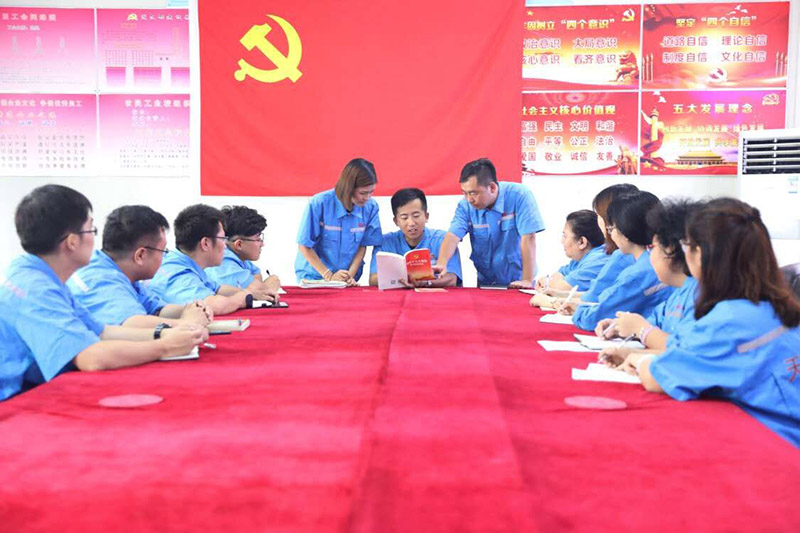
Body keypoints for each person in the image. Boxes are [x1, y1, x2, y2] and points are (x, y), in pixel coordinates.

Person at [613, 199, 800, 447]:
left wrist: (639, 360)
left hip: (776, 444)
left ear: (699, 254)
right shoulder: (771, 303)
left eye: (687, 245)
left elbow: (658, 376)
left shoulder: (729, 319)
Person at [0, 185, 204, 401]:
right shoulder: (34, 287)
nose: (95, 240)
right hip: (12, 403)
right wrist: (165, 347)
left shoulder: (38, 274)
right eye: (91, 230)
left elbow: (102, 332)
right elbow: (91, 358)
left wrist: (166, 333)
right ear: (72, 242)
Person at [68, 205, 212, 328]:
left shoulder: (123, 273)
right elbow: (130, 324)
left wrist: (191, 310)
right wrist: (186, 323)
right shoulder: (99, 277)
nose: (164, 257)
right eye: (163, 251)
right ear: (141, 255)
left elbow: (157, 309)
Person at [596, 199, 699, 352]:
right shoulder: (679, 292)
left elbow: (686, 351)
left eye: (652, 247)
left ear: (670, 249)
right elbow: (655, 322)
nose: (649, 255)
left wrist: (640, 329)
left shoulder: (701, 296)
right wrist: (621, 326)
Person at [561, 191, 673, 331]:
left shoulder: (638, 271)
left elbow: (594, 317)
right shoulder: (647, 263)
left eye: (611, 228)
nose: (610, 233)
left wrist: (579, 310)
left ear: (625, 231)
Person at [436, 158, 544, 288]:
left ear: (492, 187)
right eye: (465, 193)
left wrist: (526, 280)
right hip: (486, 281)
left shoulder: (519, 195)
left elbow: (529, 237)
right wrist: (442, 263)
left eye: (473, 193)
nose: (469, 199)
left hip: (518, 281)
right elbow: (453, 236)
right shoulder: (465, 206)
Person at [148, 204, 269, 312]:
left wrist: (252, 294)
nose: (225, 245)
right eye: (222, 239)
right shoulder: (177, 273)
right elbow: (211, 305)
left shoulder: (188, 263)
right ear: (205, 243)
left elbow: (218, 288)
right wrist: (243, 298)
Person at [295, 158, 382, 286]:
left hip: (345, 281)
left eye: (371, 192)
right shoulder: (319, 203)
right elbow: (304, 245)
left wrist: (349, 276)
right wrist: (329, 276)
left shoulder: (371, 207)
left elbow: (363, 245)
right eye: (363, 193)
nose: (367, 198)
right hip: (315, 277)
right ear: (348, 188)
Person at [368, 188, 462, 288]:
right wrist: (403, 278)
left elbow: (452, 279)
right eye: (404, 218)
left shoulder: (444, 240)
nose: (411, 223)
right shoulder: (385, 242)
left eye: (416, 216)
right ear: (396, 221)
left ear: (426, 216)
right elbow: (373, 279)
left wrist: (426, 283)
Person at [531, 210, 606, 308]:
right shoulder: (579, 259)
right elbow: (558, 274)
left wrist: (549, 283)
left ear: (582, 242)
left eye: (565, 236)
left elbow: (561, 288)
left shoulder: (597, 260)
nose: (562, 241)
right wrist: (552, 282)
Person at [206, 205, 281, 293]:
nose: (262, 244)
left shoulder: (238, 257)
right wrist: (269, 286)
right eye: (258, 239)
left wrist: (257, 286)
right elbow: (257, 293)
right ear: (239, 244)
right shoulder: (223, 264)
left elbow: (257, 276)